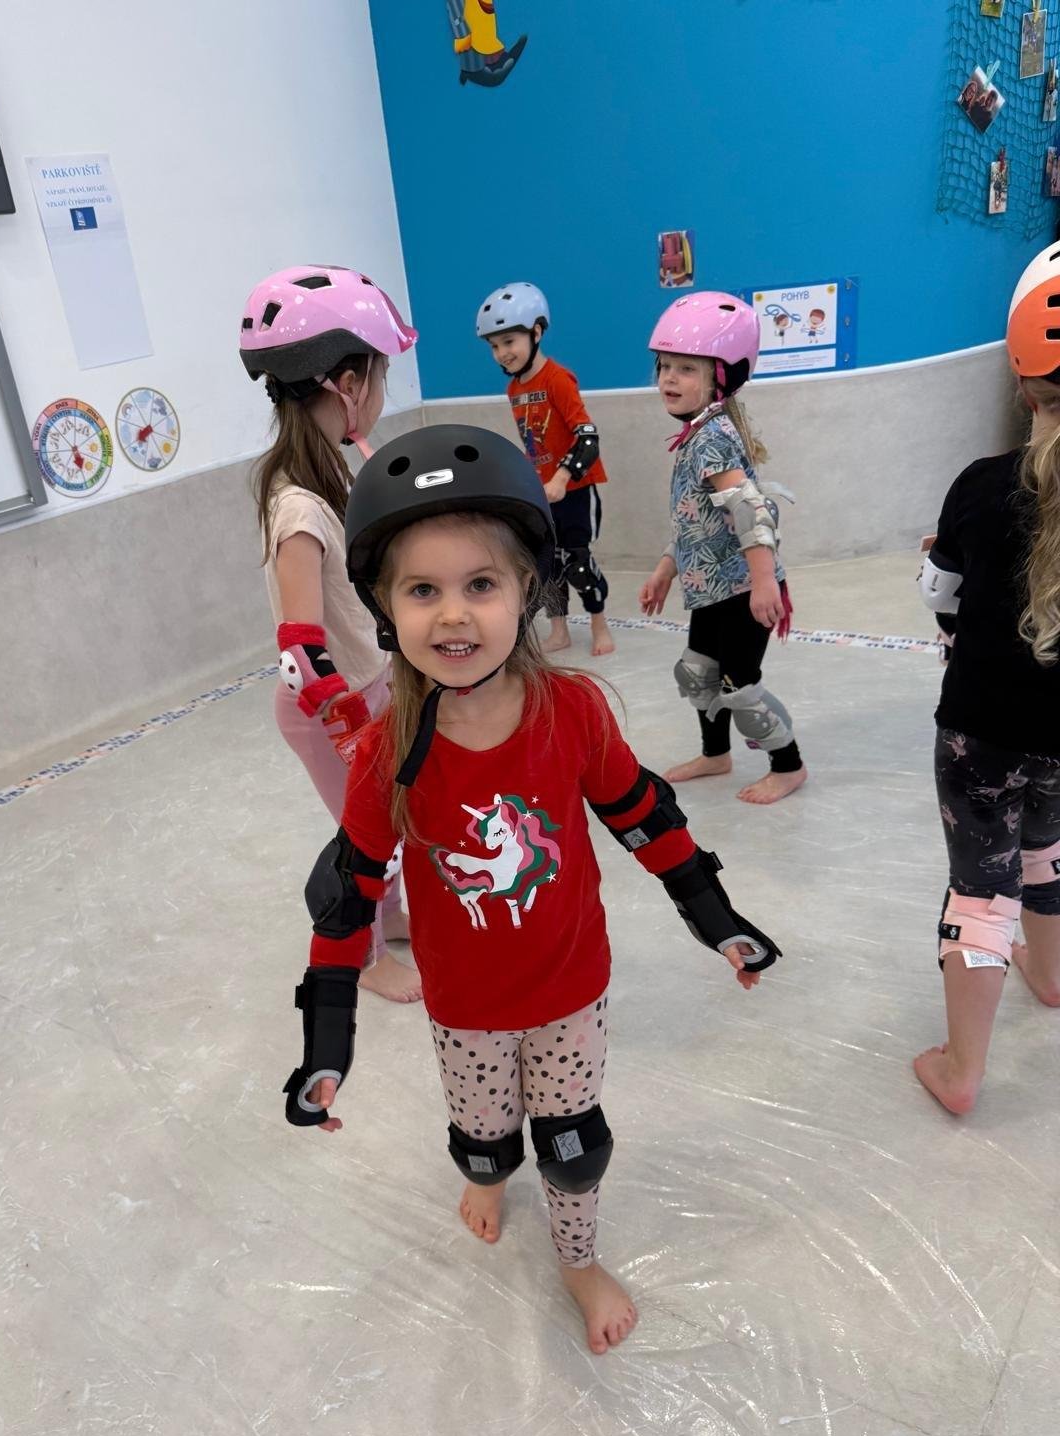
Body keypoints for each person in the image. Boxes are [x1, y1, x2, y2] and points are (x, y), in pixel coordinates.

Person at [281, 423, 781, 1353]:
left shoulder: (573, 712)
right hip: (465, 1007)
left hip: (568, 992)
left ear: (526, 590)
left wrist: (716, 920)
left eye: (481, 585)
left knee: (574, 1144)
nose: (454, 616)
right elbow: (349, 893)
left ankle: (578, 1261)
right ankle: (484, 1175)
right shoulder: (387, 749)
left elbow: (643, 818)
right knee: (482, 1138)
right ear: (386, 609)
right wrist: (326, 1046)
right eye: (423, 591)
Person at [240, 263, 420, 1002]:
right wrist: (345, 722)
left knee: (391, 819)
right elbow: (300, 648)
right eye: (380, 375)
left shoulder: (328, 479)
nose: (381, 392)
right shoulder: (299, 509)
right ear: (347, 382)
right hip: (325, 706)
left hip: (363, 685)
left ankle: (393, 915)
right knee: (364, 833)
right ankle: (362, 955)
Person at [913, 242, 1060, 1114]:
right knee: (1047, 845)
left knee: (983, 883)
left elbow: (941, 597)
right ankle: (1052, 975)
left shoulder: (979, 484)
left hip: (980, 733)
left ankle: (962, 1071)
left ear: (1023, 382)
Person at [639, 292, 808, 805]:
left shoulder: (711, 439)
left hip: (740, 589)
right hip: (710, 589)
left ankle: (789, 766)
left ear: (720, 376)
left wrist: (763, 581)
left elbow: (749, 510)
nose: (669, 378)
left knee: (739, 686)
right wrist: (666, 568)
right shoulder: (697, 435)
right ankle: (716, 755)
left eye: (686, 369)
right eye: (665, 366)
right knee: (698, 674)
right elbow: (696, 520)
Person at [476, 281, 614, 657]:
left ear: (536, 332)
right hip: (543, 491)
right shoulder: (514, 390)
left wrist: (562, 477)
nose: (502, 353)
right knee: (548, 564)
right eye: (494, 346)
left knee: (577, 562)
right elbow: (534, 444)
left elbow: (587, 437)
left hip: (575, 490)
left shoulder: (558, 379)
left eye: (509, 341)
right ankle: (559, 630)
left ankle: (599, 624)